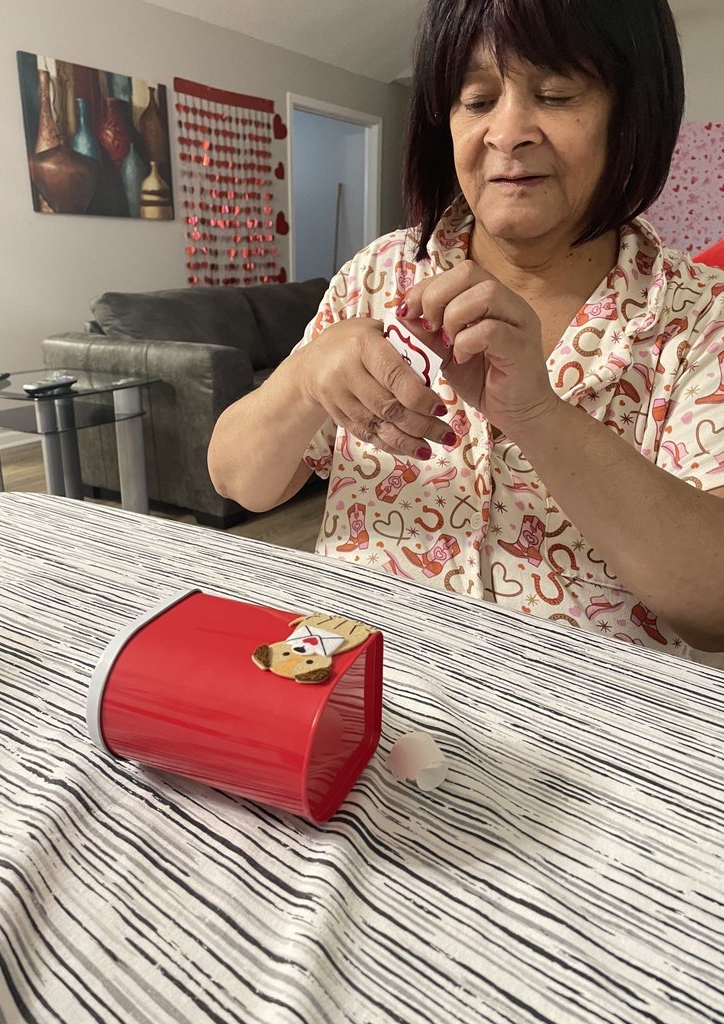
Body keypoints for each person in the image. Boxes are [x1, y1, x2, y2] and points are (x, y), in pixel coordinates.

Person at [208, 0, 724, 662]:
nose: (506, 132)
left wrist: (537, 416)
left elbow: (714, 609)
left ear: (631, 111)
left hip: (574, 740)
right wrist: (307, 377)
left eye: (555, 92)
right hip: (355, 700)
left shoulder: (697, 317)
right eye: (476, 100)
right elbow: (235, 478)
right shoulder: (381, 274)